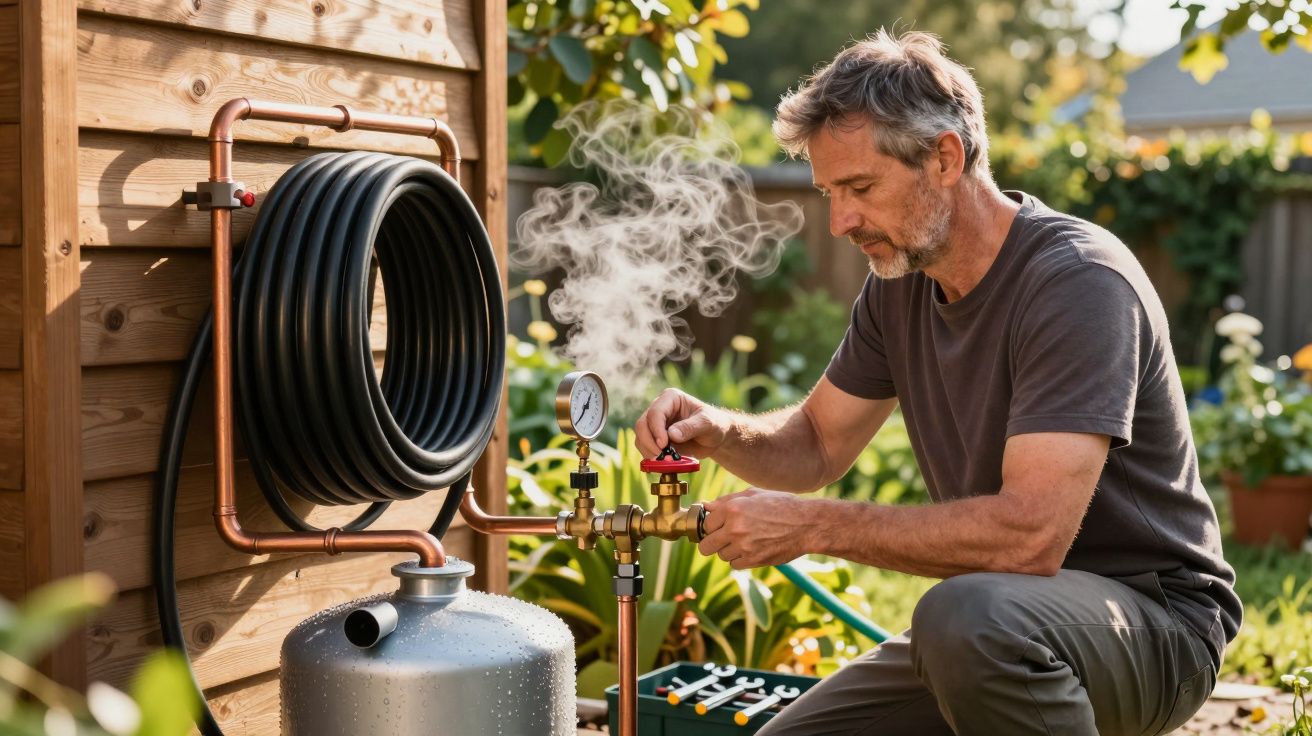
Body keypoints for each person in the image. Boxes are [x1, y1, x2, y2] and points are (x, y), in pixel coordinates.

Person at [634, 29, 1240, 736]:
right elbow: (815, 444)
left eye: (860, 188)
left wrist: (815, 527)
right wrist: (718, 430)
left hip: (1153, 625)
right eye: (830, 193)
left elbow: (1031, 535)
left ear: (945, 157)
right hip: (1009, 620)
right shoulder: (900, 285)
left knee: (963, 617)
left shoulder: (1076, 284)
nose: (840, 222)